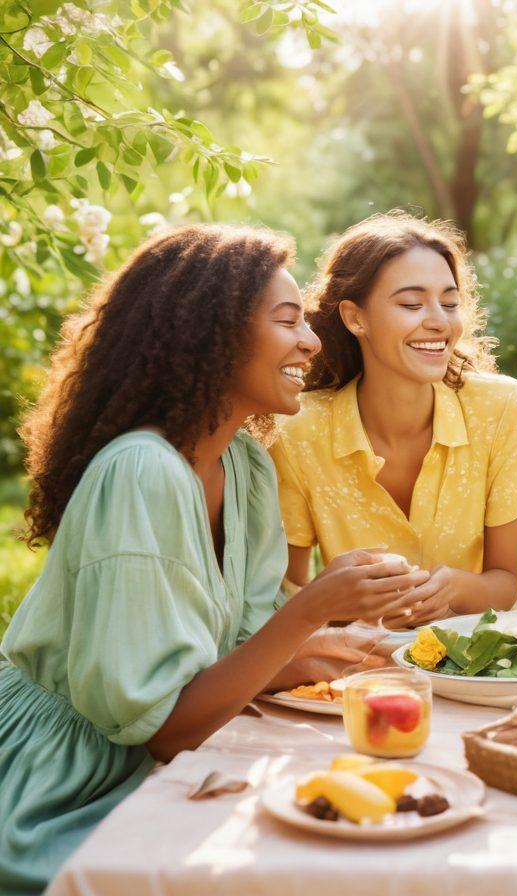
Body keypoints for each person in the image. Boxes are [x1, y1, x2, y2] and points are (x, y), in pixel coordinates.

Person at [0, 225, 422, 895]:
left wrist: (328, 646)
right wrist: (311, 612)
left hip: (164, 749)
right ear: (210, 336)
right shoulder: (141, 473)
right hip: (63, 785)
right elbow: (159, 729)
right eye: (287, 322)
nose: (312, 342)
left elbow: (239, 652)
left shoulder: (244, 464)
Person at [269, 211, 517, 628]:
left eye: (450, 302)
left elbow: (507, 582)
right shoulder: (298, 429)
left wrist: (453, 588)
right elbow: (291, 592)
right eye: (411, 303)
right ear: (355, 318)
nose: (439, 320)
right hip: (360, 664)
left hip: (486, 650)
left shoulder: (503, 408)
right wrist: (342, 602)